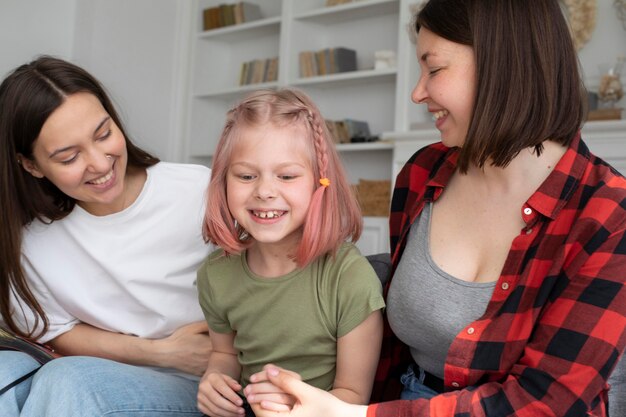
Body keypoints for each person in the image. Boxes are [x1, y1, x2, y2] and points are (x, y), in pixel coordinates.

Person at [246, 0, 626, 416]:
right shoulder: (423, 172)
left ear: (502, 65)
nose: (417, 92)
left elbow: (546, 402)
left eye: (435, 69)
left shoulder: (610, 214)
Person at [0, 56, 213, 417]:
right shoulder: (30, 240)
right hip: (118, 371)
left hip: (206, 383)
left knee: (70, 380)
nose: (100, 163)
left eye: (103, 134)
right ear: (31, 165)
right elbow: (57, 331)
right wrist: (161, 352)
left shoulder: (198, 191)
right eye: (69, 157)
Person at [196, 88, 385, 417]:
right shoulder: (215, 274)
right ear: (222, 182)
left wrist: (296, 405)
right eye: (245, 176)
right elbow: (224, 355)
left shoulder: (348, 277)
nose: (265, 191)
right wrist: (215, 381)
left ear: (319, 182)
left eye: (286, 176)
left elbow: (353, 394)